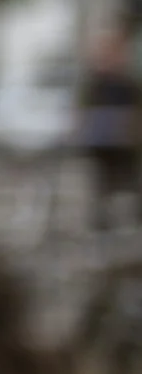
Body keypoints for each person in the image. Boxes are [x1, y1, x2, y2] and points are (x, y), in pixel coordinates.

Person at [75, 32, 139, 230]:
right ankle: (102, 220)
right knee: (102, 183)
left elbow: (135, 110)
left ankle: (132, 219)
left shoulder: (128, 83)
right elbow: (83, 111)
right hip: (101, 143)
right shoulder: (95, 83)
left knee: (129, 181)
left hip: (124, 143)